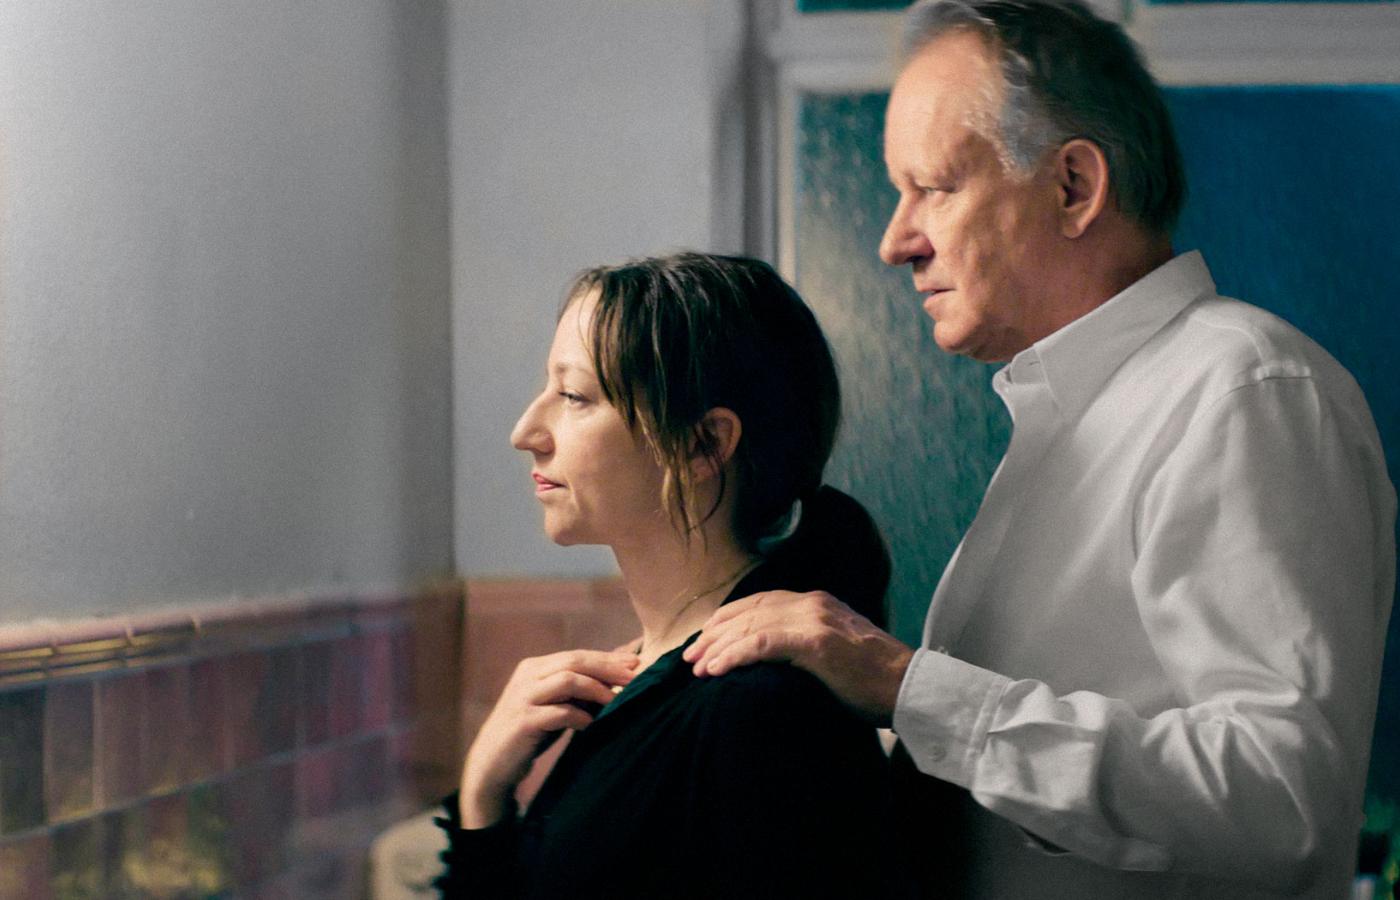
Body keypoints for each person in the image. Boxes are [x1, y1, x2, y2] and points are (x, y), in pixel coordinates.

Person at [682, 2, 1397, 898]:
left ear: (1072, 187)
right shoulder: (1074, 421)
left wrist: (906, 686)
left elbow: (1280, 803)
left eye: (934, 187)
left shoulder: (1243, 391)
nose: (895, 242)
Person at [434, 253, 901, 899]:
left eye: (574, 396)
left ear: (703, 444)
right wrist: (484, 796)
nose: (526, 432)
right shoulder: (666, 676)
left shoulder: (752, 711)